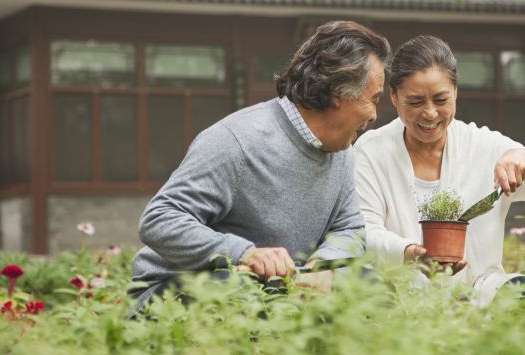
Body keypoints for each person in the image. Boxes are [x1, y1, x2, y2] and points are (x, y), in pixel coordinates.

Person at [129, 21, 391, 309]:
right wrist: (245, 254)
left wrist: (322, 268)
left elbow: (349, 227)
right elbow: (159, 220)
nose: (374, 115)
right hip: (179, 289)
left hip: (282, 287)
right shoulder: (237, 140)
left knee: (372, 286)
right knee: (249, 292)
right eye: (373, 99)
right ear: (338, 94)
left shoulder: (342, 151)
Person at [353, 35, 525, 306]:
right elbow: (364, 233)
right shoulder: (372, 151)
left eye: (441, 100)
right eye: (416, 102)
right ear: (394, 97)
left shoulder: (484, 147)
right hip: (401, 295)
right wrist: (410, 253)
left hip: (481, 294)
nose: (430, 114)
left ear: (455, 92)